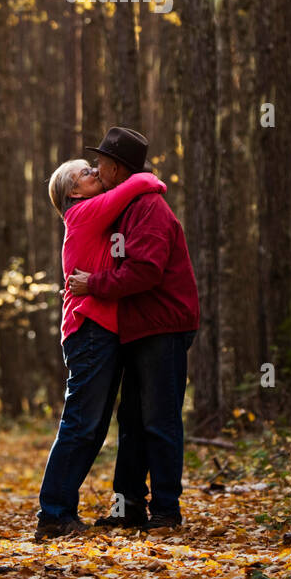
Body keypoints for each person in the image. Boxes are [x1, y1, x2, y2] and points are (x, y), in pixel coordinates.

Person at [69, 126, 199, 531]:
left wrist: (94, 284)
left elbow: (144, 271)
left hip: (163, 325)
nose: (95, 167)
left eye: (100, 163)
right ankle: (128, 507)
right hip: (136, 326)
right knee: (132, 418)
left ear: (115, 167)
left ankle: (166, 510)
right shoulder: (120, 207)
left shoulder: (149, 209)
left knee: (159, 419)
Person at [35, 156, 166, 542]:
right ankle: (54, 513)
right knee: (81, 423)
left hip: (101, 330)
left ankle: (60, 511)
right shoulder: (82, 212)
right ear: (74, 191)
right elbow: (133, 187)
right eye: (85, 173)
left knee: (91, 428)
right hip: (89, 329)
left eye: (93, 168)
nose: (95, 172)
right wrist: (151, 179)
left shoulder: (93, 215)